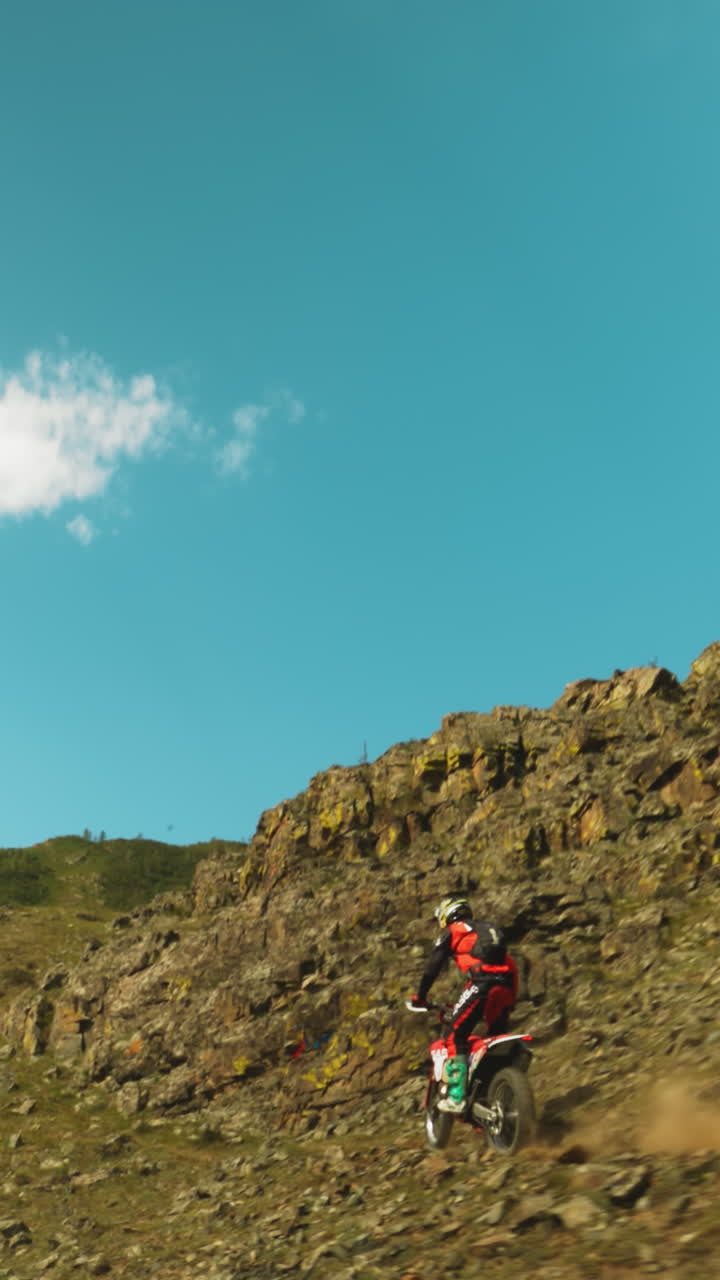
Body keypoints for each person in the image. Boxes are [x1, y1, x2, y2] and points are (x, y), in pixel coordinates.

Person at [408, 896, 518, 1113]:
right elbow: (510, 965)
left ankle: (457, 1096)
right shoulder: (489, 929)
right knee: (494, 1038)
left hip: (481, 983)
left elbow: (433, 966)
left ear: (447, 915)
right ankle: (496, 1092)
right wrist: (511, 999)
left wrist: (420, 996)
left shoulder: (455, 930)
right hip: (505, 985)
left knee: (455, 1035)